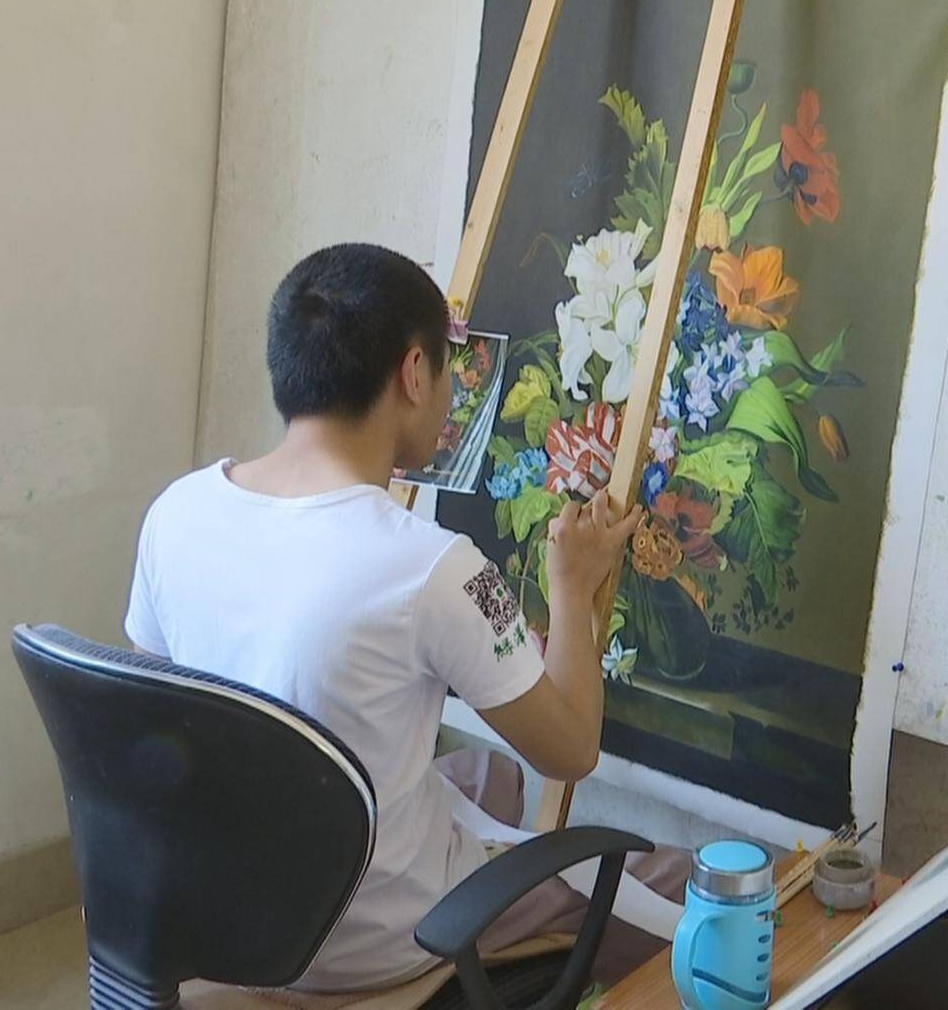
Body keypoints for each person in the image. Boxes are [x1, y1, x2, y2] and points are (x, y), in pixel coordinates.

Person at [123, 243, 688, 992]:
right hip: (368, 942)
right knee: (671, 882)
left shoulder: (178, 511)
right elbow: (571, 750)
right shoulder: (432, 565)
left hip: (229, 915)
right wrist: (572, 586)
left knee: (487, 773)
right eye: (450, 371)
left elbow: (156, 707)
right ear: (414, 373)